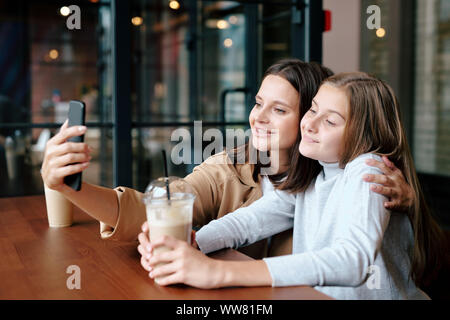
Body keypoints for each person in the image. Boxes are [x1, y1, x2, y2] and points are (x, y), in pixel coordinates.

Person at [41, 59, 414, 259]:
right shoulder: (231, 166)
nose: (258, 117)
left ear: (310, 118)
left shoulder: (344, 176)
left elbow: (395, 253)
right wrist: (72, 188)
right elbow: (157, 206)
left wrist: (409, 202)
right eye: (257, 103)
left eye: (279, 109)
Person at [138, 72, 446, 299]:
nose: (310, 124)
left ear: (363, 137)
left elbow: (352, 260)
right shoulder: (319, 174)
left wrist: (216, 272)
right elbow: (252, 219)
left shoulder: (367, 170)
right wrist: (193, 244)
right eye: (313, 110)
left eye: (331, 121)